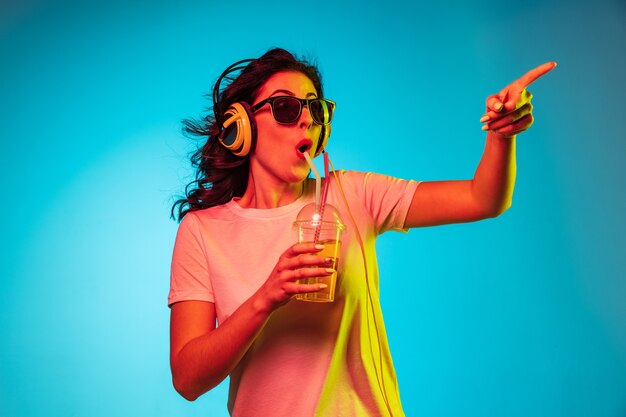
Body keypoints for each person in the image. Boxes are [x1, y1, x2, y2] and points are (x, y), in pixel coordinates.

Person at [168, 48, 556, 416]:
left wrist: (502, 136)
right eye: (285, 108)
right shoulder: (203, 232)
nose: (306, 120)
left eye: (315, 109)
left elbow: (482, 198)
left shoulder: (353, 195)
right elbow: (187, 380)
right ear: (242, 127)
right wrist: (266, 297)